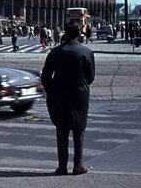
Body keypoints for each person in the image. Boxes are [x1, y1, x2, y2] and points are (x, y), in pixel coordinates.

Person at [41, 21, 95, 175]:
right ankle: (78, 165)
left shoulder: (55, 52)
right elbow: (90, 77)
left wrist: (52, 90)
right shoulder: (86, 52)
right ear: (79, 34)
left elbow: (45, 76)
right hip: (79, 93)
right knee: (79, 129)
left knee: (62, 129)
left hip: (59, 93)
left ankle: (62, 166)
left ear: (64, 33)